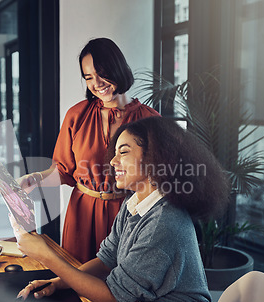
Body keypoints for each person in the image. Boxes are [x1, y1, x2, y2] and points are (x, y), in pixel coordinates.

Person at [11, 117, 230, 302]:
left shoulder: (163, 222)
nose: (113, 161)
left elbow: (111, 296)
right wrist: (58, 282)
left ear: (156, 157)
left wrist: (47, 256)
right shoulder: (133, 202)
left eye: (123, 152)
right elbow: (106, 260)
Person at [18, 37, 160, 263]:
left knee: (121, 288)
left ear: (118, 69)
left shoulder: (150, 120)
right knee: (75, 282)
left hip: (129, 214)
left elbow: (159, 180)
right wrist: (35, 179)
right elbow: (63, 170)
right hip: (81, 214)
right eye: (88, 78)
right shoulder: (77, 115)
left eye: (102, 73)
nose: (97, 83)